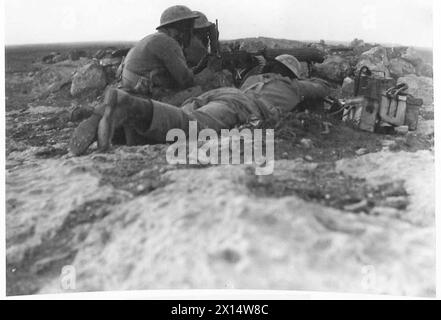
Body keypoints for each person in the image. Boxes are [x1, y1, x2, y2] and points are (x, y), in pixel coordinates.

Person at [93, 55, 331, 151]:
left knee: (175, 121)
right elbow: (322, 88)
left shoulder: (254, 78)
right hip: (243, 104)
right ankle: (132, 105)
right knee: (191, 127)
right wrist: (316, 73)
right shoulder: (292, 85)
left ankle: (124, 128)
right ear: (292, 74)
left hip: (221, 93)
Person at [69, 5, 208, 156]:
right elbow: (186, 81)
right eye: (189, 27)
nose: (191, 32)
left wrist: (200, 67)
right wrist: (210, 71)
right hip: (148, 95)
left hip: (132, 91)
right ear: (180, 28)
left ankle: (98, 115)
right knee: (200, 91)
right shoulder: (168, 43)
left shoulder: (151, 39)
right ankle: (111, 117)